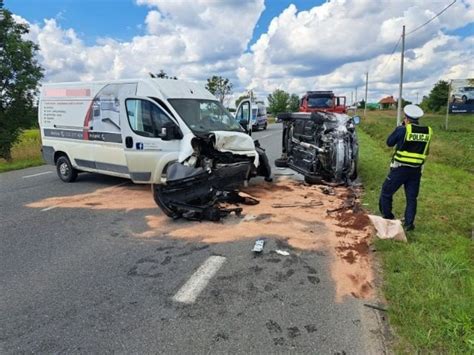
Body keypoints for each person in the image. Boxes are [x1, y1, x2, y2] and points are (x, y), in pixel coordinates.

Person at [379, 104, 433, 231]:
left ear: (406, 118)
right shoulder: (428, 131)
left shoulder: (403, 129)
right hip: (416, 170)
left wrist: (399, 128)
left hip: (400, 169)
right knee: (411, 197)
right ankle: (409, 224)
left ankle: (388, 218)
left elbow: (389, 142)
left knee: (386, 192)